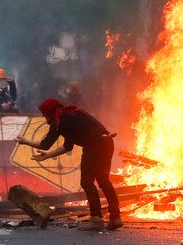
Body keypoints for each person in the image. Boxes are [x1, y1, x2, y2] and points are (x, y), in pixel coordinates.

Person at [15, 98, 121, 232]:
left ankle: (96, 219)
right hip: (107, 142)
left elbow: (45, 144)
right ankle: (116, 217)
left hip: (94, 145)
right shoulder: (69, 116)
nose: (45, 118)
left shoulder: (59, 121)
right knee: (104, 180)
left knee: (87, 182)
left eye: (45, 114)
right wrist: (48, 155)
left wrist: (26, 141)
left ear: (50, 112)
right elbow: (67, 146)